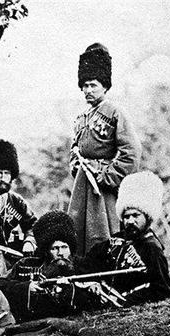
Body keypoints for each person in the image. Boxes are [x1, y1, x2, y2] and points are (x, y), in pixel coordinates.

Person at [67, 43, 142, 255]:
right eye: (85, 86)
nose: (88, 90)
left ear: (105, 86)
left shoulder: (115, 112)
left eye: (93, 85)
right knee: (78, 237)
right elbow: (74, 149)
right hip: (82, 186)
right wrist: (76, 164)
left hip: (103, 189)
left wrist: (106, 175)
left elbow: (132, 152)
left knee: (103, 236)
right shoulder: (81, 117)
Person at [79, 171, 170, 305]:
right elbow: (90, 261)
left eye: (135, 215)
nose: (130, 221)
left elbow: (161, 289)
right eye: (126, 217)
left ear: (147, 217)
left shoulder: (152, 248)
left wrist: (125, 300)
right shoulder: (118, 239)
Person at [0, 211, 99, 321]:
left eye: (64, 247)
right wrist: (27, 287)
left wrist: (72, 289)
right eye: (55, 248)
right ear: (46, 251)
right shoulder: (26, 265)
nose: (60, 253)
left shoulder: (81, 266)